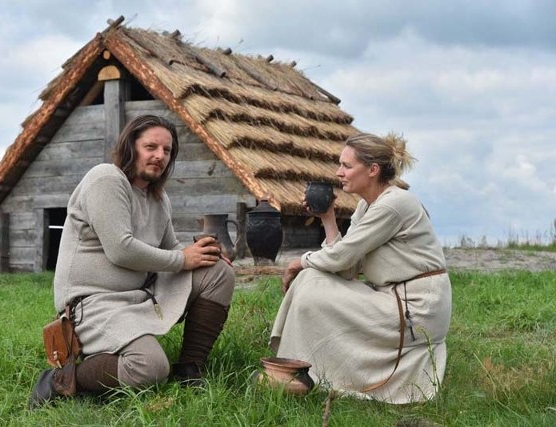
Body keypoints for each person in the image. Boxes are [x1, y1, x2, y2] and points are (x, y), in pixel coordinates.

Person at [29, 115, 235, 408]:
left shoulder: (158, 199)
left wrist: (201, 253)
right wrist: (181, 259)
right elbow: (121, 250)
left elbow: (171, 248)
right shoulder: (106, 179)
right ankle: (61, 379)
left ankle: (190, 369)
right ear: (130, 147)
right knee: (150, 367)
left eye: (167, 150)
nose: (159, 156)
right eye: (151, 146)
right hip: (94, 303)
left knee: (217, 272)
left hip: (140, 294)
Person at [270, 132, 452, 404]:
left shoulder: (395, 204)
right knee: (312, 281)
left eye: (346, 166)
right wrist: (328, 218)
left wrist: (300, 260)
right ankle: (299, 369)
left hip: (416, 308)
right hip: (392, 298)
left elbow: (340, 259)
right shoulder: (366, 207)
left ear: (372, 170)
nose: (338, 172)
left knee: (309, 279)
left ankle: (297, 373)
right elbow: (347, 268)